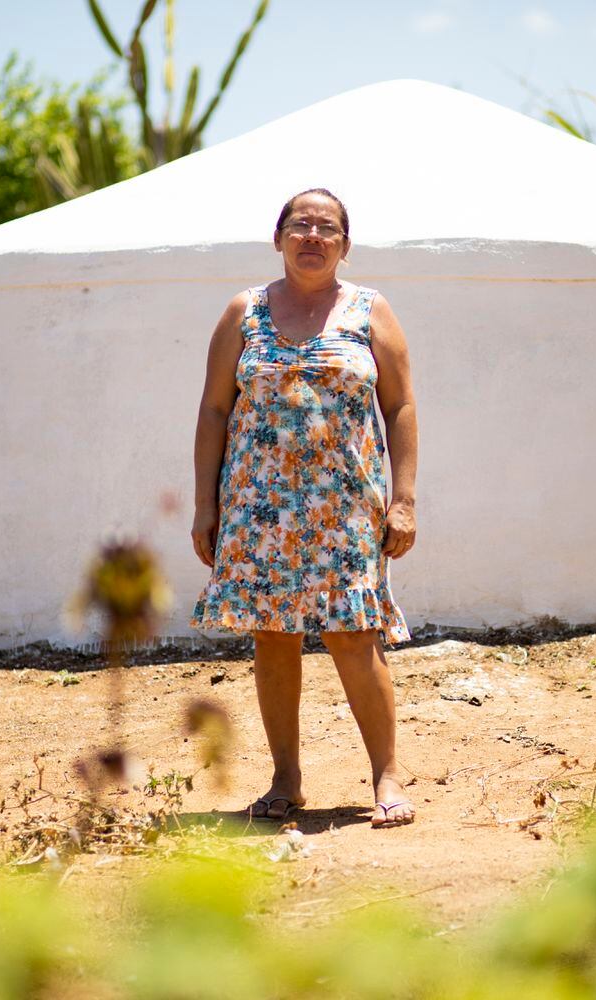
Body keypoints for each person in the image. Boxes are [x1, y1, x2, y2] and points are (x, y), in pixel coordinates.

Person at [190, 188, 419, 829]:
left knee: (353, 634)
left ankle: (386, 776)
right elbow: (213, 410)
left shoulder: (371, 311)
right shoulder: (245, 312)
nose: (312, 237)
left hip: (346, 505)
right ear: (279, 238)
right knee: (273, 635)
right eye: (300, 226)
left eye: (326, 228)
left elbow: (400, 406)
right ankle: (285, 779)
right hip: (258, 506)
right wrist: (205, 505)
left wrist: (403, 499)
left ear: (345, 244)